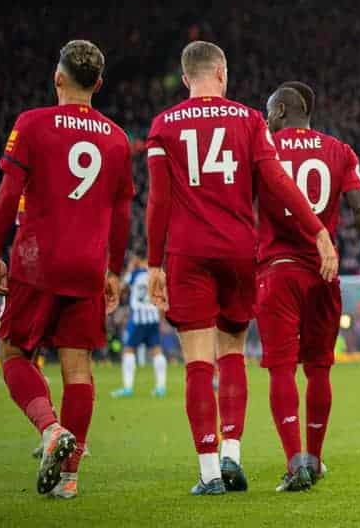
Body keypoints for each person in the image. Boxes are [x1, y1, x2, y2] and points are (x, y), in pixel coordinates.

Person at [145, 41, 337, 495]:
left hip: (188, 254)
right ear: (223, 73)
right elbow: (278, 182)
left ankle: (210, 472)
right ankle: (233, 453)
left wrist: (154, 263)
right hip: (238, 251)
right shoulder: (250, 120)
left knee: (197, 361)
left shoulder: (163, 126)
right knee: (233, 352)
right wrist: (317, 229)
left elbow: (158, 202)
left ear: (186, 76)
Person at [255, 81, 360, 492]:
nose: (267, 118)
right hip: (325, 274)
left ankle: (294, 463)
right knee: (319, 368)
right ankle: (316, 459)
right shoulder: (340, 151)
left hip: (278, 272)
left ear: (285, 111)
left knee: (282, 369)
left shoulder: (264, 149)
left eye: (271, 112)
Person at [0, 40, 133, 499]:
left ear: (58, 78)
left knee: (13, 352)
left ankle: (50, 428)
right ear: (98, 84)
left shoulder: (31, 125)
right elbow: (121, 213)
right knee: (79, 371)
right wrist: (113, 271)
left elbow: (7, 194)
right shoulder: (116, 138)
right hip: (88, 265)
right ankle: (69, 480)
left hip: (37, 261)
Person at [111, 258, 168, 398]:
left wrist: (130, 269)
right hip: (153, 317)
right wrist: (160, 318)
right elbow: (163, 296)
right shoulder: (156, 274)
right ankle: (161, 388)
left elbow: (122, 286)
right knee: (156, 350)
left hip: (137, 319)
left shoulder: (135, 273)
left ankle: (127, 389)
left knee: (128, 349)